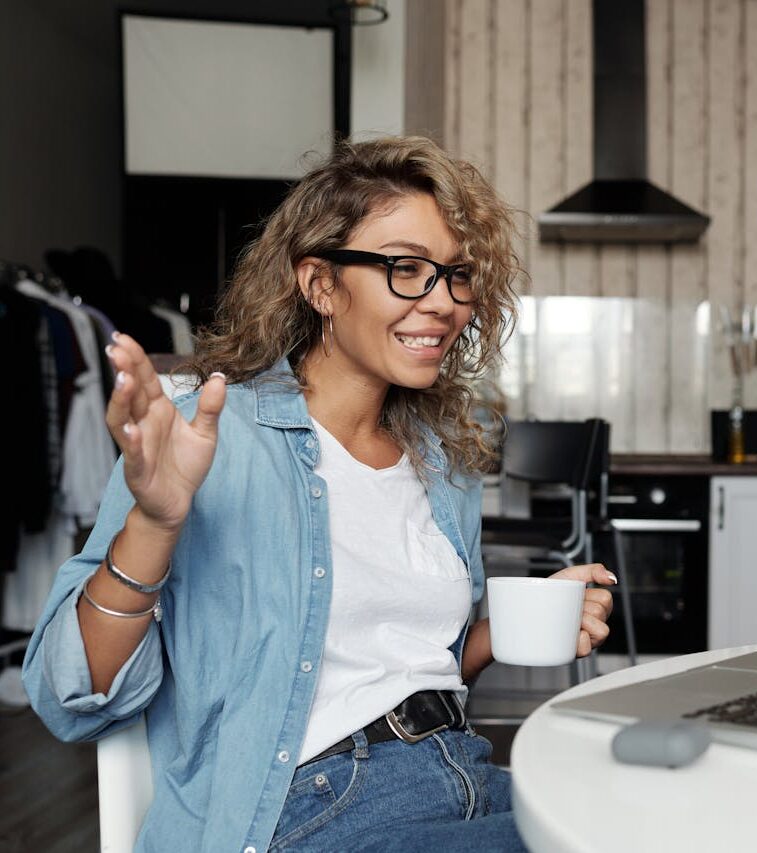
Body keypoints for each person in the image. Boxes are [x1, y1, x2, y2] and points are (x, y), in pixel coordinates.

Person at [22, 136, 616, 852]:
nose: (444, 303)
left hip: (462, 771)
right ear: (320, 284)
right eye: (406, 269)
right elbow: (67, 697)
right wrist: (154, 520)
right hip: (311, 813)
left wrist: (499, 633)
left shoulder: (442, 463)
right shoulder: (206, 440)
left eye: (457, 276)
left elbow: (392, 670)